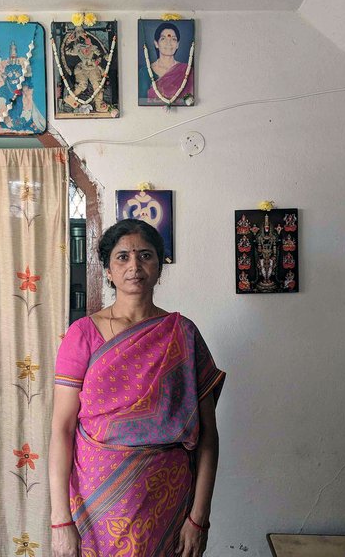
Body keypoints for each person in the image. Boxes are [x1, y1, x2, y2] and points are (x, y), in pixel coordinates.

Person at [49, 219, 226, 557]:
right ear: (108, 270)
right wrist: (61, 520)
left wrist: (199, 519)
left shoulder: (183, 334)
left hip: (168, 500)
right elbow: (62, 428)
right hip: (95, 502)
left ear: (160, 266)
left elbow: (208, 436)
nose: (134, 266)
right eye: (122, 257)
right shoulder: (83, 335)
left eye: (145, 255)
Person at [139, 22, 194, 106]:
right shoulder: (144, 72)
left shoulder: (187, 70)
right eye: (163, 39)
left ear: (177, 45)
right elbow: (142, 102)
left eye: (173, 39)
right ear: (156, 44)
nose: (169, 43)